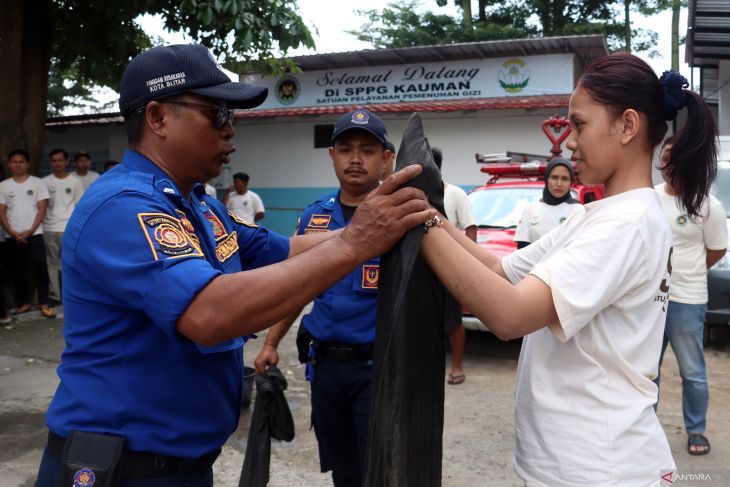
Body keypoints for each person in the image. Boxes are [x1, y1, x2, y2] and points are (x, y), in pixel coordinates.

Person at [33, 44, 431, 487]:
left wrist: (378, 225)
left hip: (180, 466)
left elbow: (287, 251)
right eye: (217, 114)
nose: (230, 131)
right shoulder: (123, 206)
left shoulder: (197, 204)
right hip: (123, 469)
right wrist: (358, 242)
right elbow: (208, 314)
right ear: (158, 118)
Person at [419, 52, 718, 485]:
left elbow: (510, 315)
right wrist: (434, 216)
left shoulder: (624, 225)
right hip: (581, 459)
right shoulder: (599, 215)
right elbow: (501, 269)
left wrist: (420, 224)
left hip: (598, 466)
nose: (570, 142)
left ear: (627, 126)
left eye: (580, 124)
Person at [254, 108, 392, 486]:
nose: (356, 159)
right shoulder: (315, 217)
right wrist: (270, 343)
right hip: (326, 367)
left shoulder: (397, 217)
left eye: (367, 150)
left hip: (377, 368)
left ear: (385, 158)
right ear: (332, 156)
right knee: (342, 467)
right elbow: (298, 287)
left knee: (378, 466)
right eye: (346, 150)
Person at [655, 137, 727, 456]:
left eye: (675, 158)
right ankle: (644, 429)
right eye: (665, 157)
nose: (668, 164)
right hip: (648, 302)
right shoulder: (648, 198)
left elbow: (716, 250)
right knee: (646, 370)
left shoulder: (708, 205)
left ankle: (696, 429)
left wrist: (689, 270)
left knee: (692, 371)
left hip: (687, 299)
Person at [432, 146, 476, 385]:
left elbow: (470, 228)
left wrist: (465, 265)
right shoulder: (412, 194)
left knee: (453, 320)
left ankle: (457, 365)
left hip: (450, 267)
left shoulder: (456, 194)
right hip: (421, 269)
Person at [0, 149, 54, 319]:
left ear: (28, 164)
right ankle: (24, 302)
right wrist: (12, 232)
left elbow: (42, 209)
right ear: (9, 165)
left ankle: (44, 302)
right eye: (14, 162)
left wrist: (30, 231)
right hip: (12, 235)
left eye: (21, 161)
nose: (18, 165)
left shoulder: (38, 183)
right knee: (17, 270)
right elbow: (1, 211)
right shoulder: (3, 185)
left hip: (35, 233)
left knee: (41, 267)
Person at [43, 149, 85, 304]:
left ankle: (73, 294)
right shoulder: (44, 182)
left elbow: (80, 206)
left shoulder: (75, 181)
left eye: (60, 160)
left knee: (70, 263)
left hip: (69, 228)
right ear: (50, 163)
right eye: (54, 161)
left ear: (66, 162)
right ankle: (55, 296)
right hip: (49, 228)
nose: (57, 163)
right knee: (52, 264)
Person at [513, 157, 582, 249]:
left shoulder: (578, 211)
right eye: (554, 177)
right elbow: (522, 249)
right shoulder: (530, 210)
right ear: (546, 179)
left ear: (571, 182)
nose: (559, 184)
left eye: (565, 179)